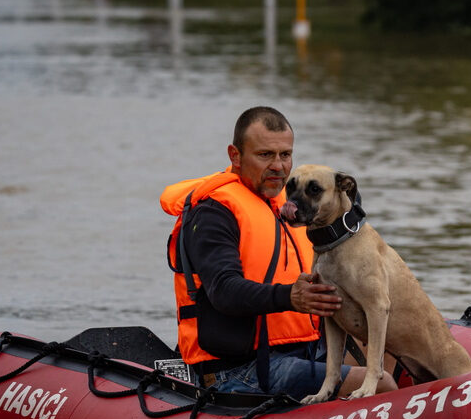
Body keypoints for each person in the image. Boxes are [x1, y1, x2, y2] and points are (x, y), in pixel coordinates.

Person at [160, 106, 396, 398]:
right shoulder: (213, 213)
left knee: (391, 345)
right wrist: (290, 297)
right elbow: (223, 290)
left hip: (306, 349)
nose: (278, 166)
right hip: (240, 369)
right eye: (265, 155)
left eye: (285, 155)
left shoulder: (299, 204)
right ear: (235, 156)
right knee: (383, 385)